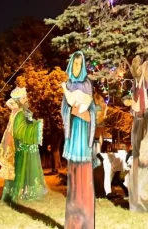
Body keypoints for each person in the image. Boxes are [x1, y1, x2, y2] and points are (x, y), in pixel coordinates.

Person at [61, 51, 97, 229]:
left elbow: (92, 109)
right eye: (74, 64)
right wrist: (71, 109)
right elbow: (63, 110)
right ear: (71, 65)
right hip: (74, 130)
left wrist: (85, 111)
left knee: (84, 173)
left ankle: (86, 217)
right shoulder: (68, 84)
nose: (77, 67)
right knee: (73, 174)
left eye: (79, 64)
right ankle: (73, 219)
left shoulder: (87, 84)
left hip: (84, 131)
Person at [0, 87, 47, 202]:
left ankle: (25, 192)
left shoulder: (21, 112)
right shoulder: (19, 113)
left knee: (24, 169)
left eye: (25, 96)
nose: (26, 98)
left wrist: (32, 123)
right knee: (21, 169)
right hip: (22, 147)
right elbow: (19, 131)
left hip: (25, 147)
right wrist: (36, 126)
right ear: (18, 100)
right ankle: (20, 193)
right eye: (23, 97)